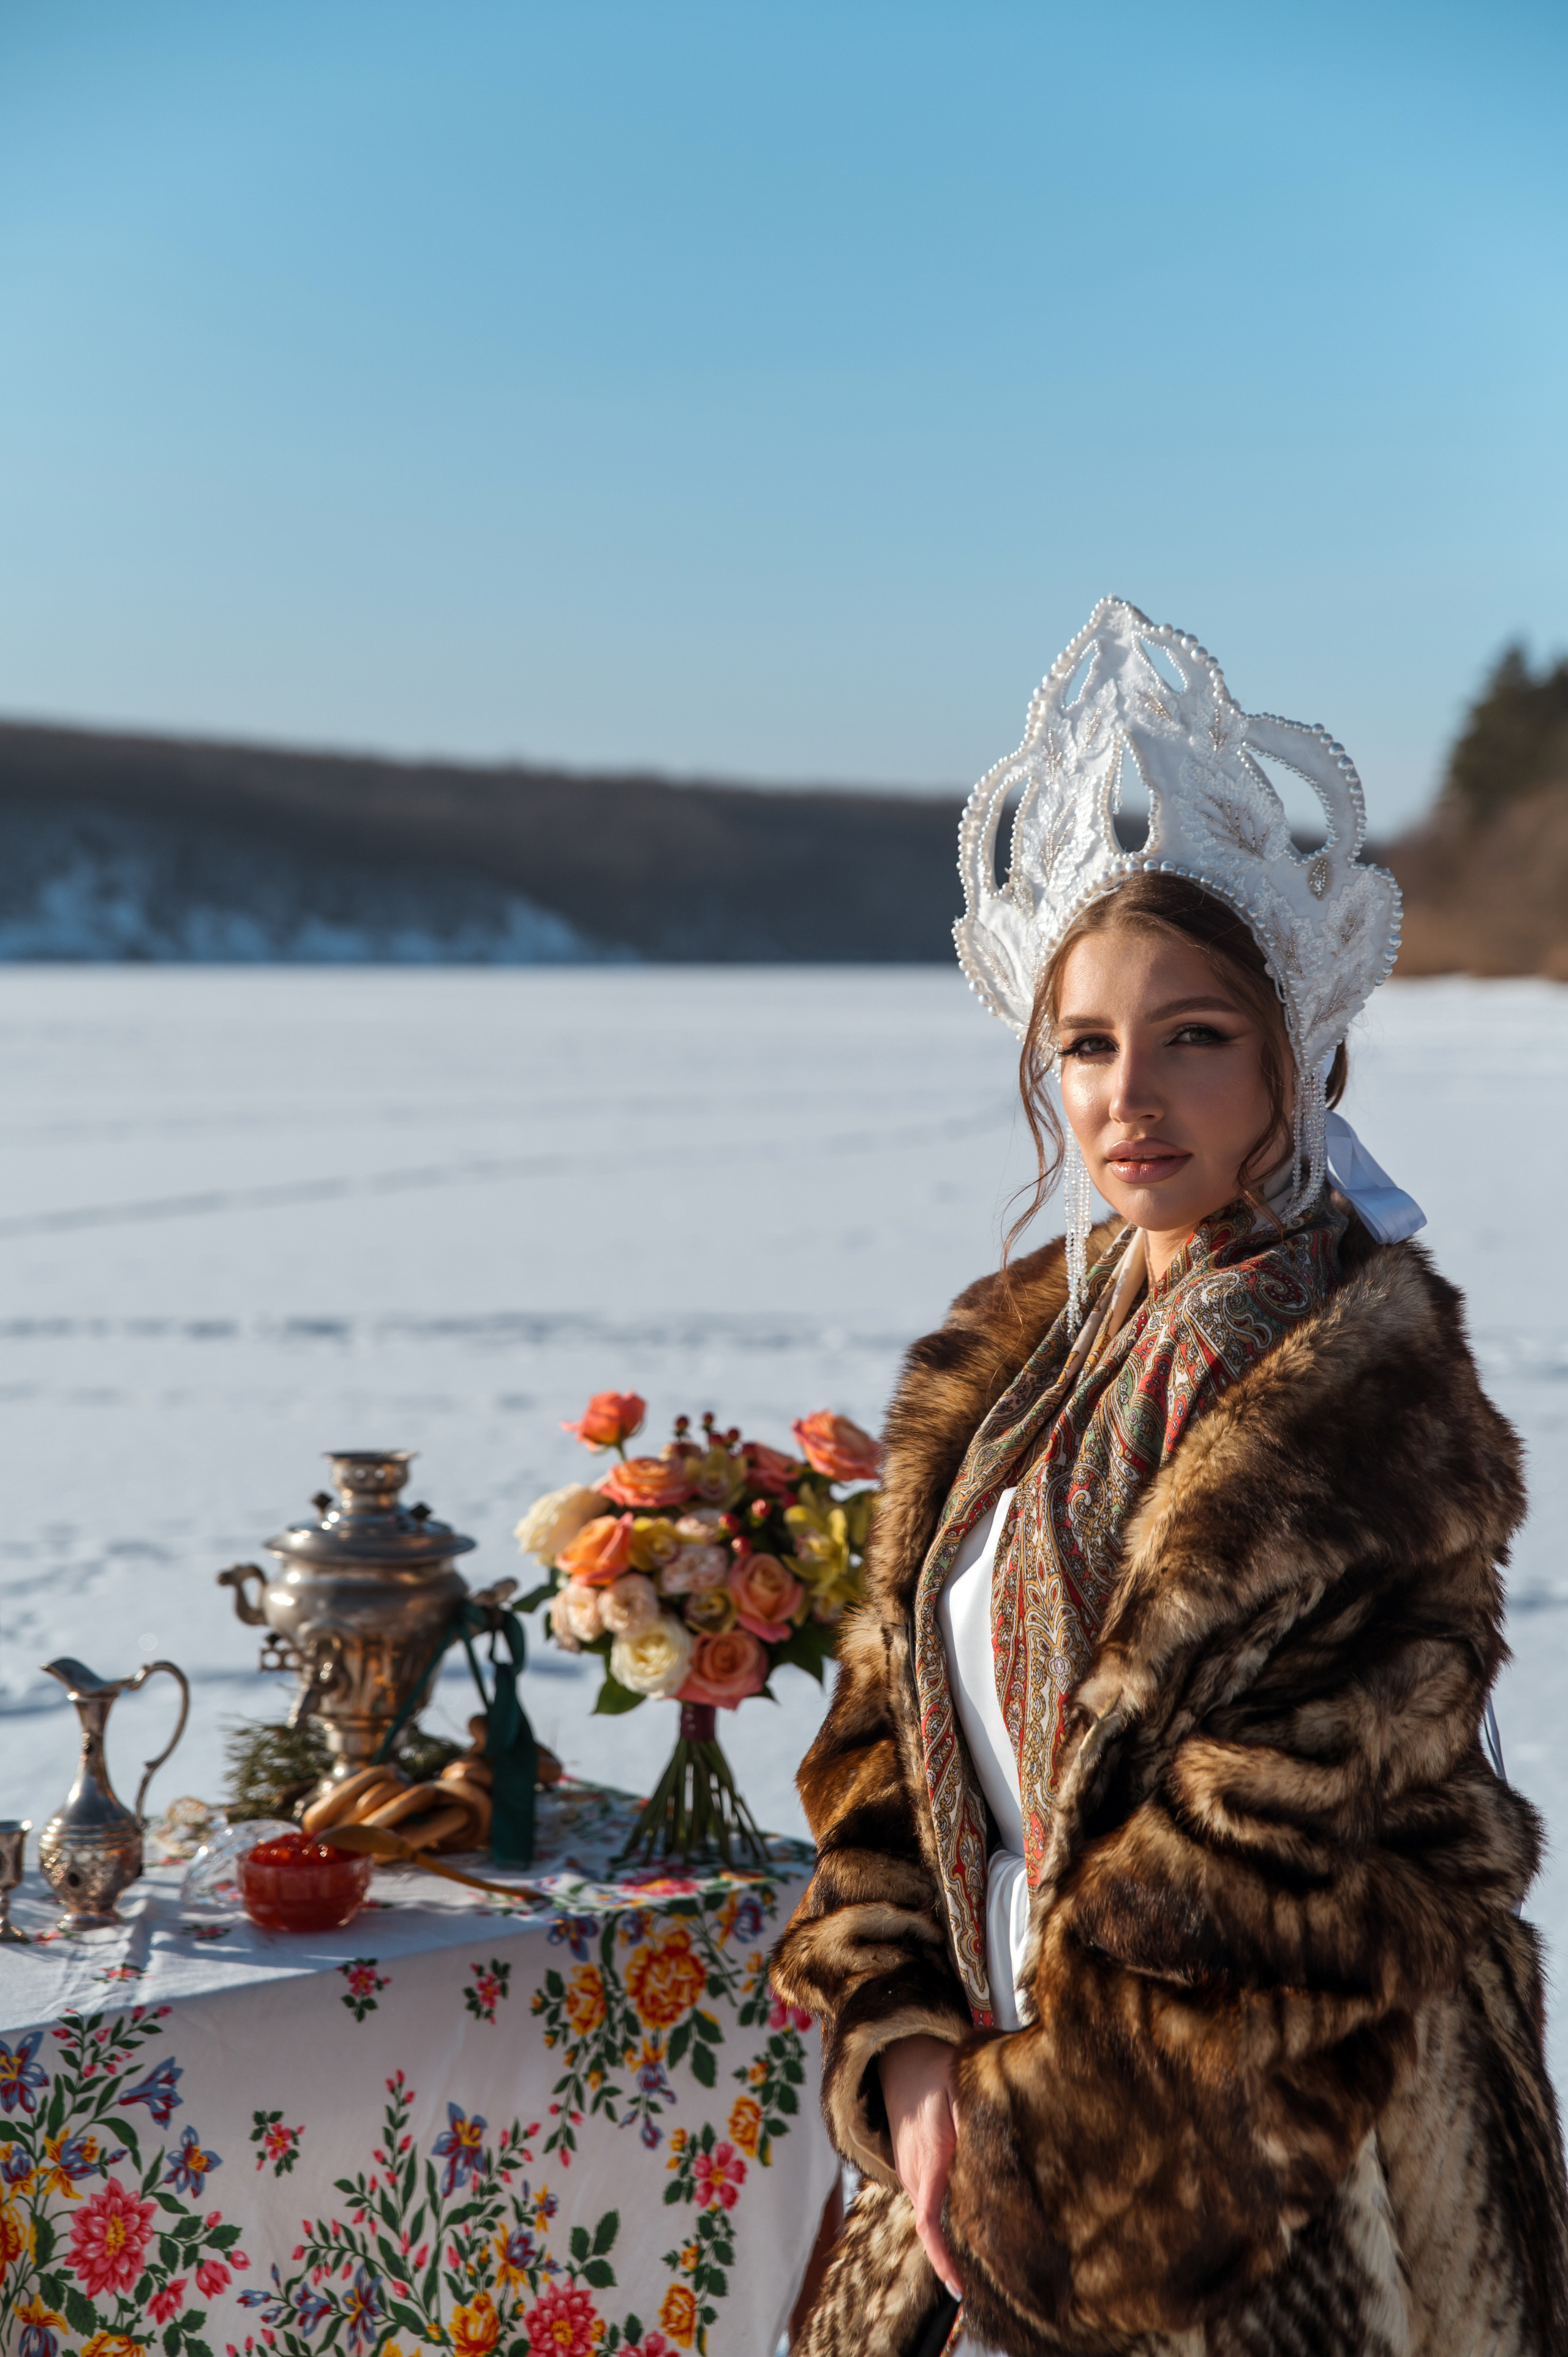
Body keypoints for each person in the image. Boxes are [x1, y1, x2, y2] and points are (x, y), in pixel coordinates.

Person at [774, 600, 1568, 2357]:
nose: (1132, 1096)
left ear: (1297, 1048)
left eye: (1196, 1035)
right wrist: (904, 2046)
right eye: (1088, 1044)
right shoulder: (1006, 1368)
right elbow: (878, 1743)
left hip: (1241, 2190)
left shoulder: (1364, 1408)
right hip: (974, 2138)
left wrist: (1018, 2159)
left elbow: (1262, 1881)